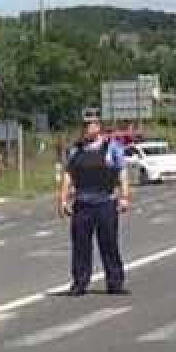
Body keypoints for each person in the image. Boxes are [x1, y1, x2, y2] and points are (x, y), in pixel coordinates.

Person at [58, 109, 131, 295]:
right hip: (82, 204)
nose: (86, 129)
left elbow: (122, 173)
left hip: (105, 202)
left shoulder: (111, 147)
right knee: (81, 246)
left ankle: (115, 281)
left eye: (90, 125)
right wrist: (63, 199)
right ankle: (80, 282)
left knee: (109, 243)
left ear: (98, 127)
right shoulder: (76, 150)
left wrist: (124, 197)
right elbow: (68, 175)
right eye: (84, 125)